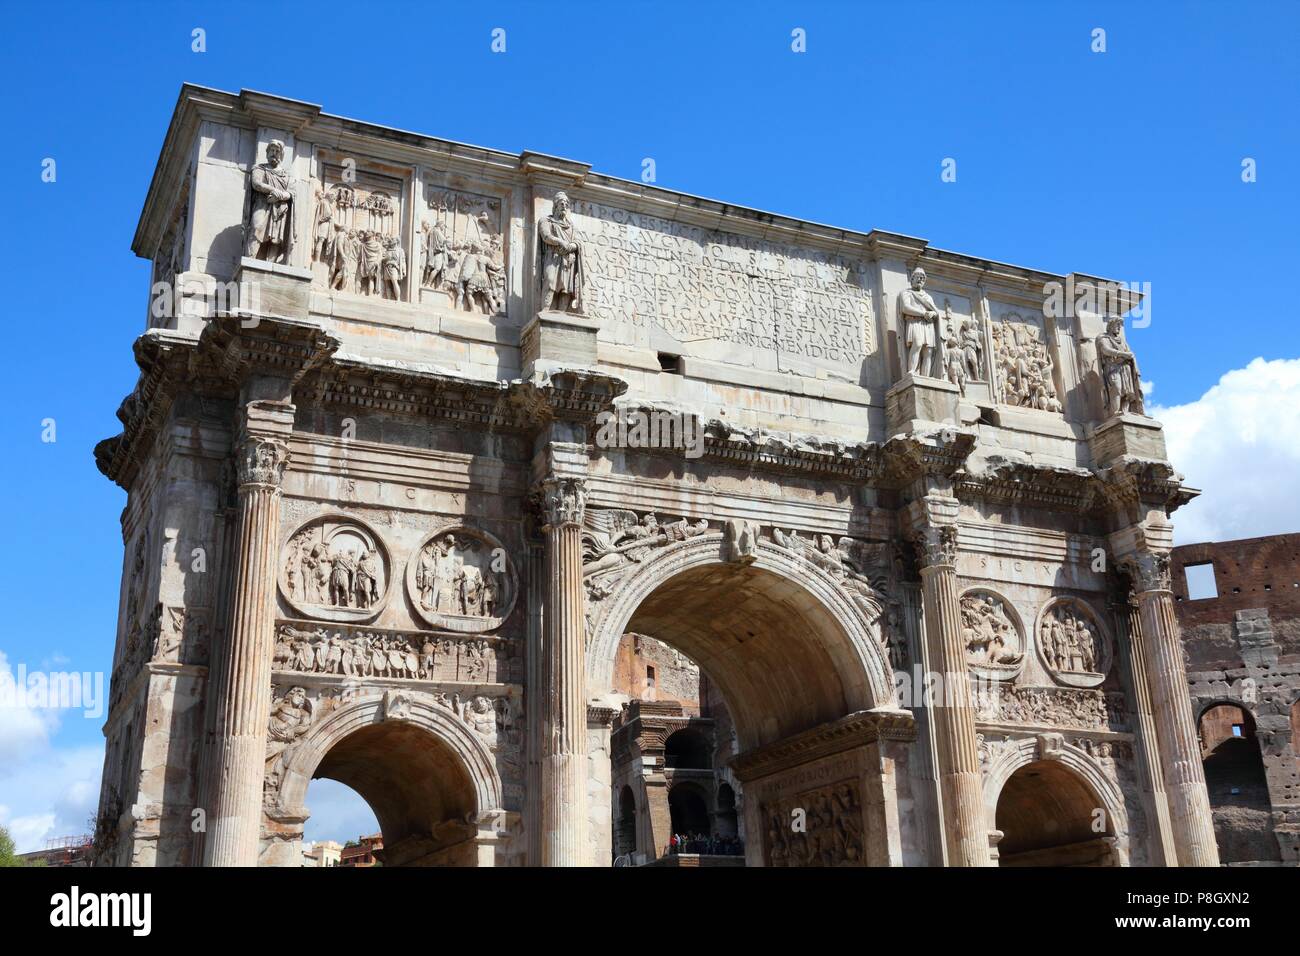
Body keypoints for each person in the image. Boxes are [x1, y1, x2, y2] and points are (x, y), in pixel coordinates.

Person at [245, 140, 294, 262]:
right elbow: (256, 184)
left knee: (277, 237)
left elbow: (291, 193)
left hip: (280, 208)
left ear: (281, 155)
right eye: (271, 150)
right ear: (267, 152)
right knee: (256, 228)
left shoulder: (286, 175)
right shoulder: (259, 168)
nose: (274, 153)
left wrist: (280, 196)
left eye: (277, 151)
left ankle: (270, 265)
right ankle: (249, 260)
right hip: (262, 204)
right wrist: (273, 190)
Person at [537, 190, 584, 312]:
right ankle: (545, 310)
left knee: (566, 287)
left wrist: (572, 246)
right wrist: (561, 241)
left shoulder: (571, 226)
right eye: (561, 203)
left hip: (567, 260)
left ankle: (562, 314)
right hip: (552, 256)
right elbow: (546, 236)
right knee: (550, 280)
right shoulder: (546, 221)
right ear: (555, 205)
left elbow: (578, 241)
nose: (564, 205)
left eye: (566, 204)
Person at [896, 267, 941, 377]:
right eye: (918, 277)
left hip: (928, 325)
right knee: (917, 344)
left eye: (923, 278)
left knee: (928, 351)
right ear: (912, 279)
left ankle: (926, 377)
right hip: (914, 322)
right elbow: (905, 308)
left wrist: (933, 314)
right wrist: (923, 313)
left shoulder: (928, 297)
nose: (920, 280)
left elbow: (936, 311)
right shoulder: (906, 293)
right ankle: (911, 371)